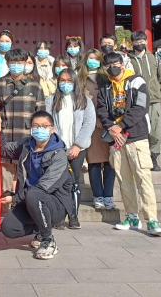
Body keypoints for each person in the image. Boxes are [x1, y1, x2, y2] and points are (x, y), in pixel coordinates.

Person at [97, 52, 161, 236]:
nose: (112, 68)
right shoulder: (105, 86)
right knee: (124, 180)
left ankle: (152, 219)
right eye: (108, 66)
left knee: (143, 178)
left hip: (136, 136)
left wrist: (120, 127)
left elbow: (140, 107)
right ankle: (132, 216)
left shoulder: (136, 81)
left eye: (115, 64)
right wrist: (112, 128)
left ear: (122, 64)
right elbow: (102, 110)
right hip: (116, 139)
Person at [0, 112, 74, 260]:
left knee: (34, 194)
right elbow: (3, 150)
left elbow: (43, 187)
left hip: (56, 205)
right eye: (36, 126)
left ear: (52, 129)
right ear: (31, 128)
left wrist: (14, 199)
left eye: (44, 126)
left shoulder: (59, 155)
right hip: (30, 201)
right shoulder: (26, 145)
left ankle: (48, 240)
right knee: (8, 228)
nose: (40, 129)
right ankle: (41, 229)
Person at [0, 48, 46, 230]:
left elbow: (41, 116)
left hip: (27, 141)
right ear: (7, 63)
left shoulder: (35, 87)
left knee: (25, 180)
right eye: (13, 62)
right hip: (5, 140)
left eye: (20, 62)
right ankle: (4, 215)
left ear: (25, 63)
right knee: (5, 180)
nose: (16, 65)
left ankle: (24, 216)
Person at [45, 68, 96, 230]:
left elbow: (89, 123)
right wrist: (56, 145)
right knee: (57, 182)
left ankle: (73, 215)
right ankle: (59, 216)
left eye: (69, 81)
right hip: (57, 149)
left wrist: (78, 145)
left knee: (74, 182)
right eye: (62, 81)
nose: (65, 84)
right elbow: (48, 123)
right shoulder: (51, 100)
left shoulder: (84, 101)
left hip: (77, 149)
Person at [80, 49, 116, 210]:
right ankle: (98, 196)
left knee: (110, 163)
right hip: (91, 127)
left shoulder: (107, 78)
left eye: (96, 58)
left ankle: (108, 196)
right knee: (94, 162)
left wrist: (106, 120)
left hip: (109, 125)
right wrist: (94, 120)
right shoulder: (81, 79)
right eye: (90, 58)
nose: (93, 61)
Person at [128, 31, 161, 172]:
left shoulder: (155, 59)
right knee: (139, 131)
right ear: (132, 43)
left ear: (146, 42)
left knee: (156, 131)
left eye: (142, 41)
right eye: (136, 41)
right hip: (136, 101)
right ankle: (141, 157)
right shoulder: (128, 60)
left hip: (154, 99)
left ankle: (154, 157)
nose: (139, 43)